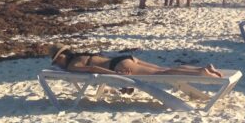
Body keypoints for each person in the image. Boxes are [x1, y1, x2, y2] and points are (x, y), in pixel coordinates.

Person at [50, 45, 223, 77]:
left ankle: (200, 72)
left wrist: (115, 74)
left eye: (57, 60)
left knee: (161, 73)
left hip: (119, 65)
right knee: (164, 69)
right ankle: (202, 68)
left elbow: (92, 69)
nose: (58, 64)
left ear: (62, 56)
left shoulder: (73, 65)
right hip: (125, 58)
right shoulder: (82, 55)